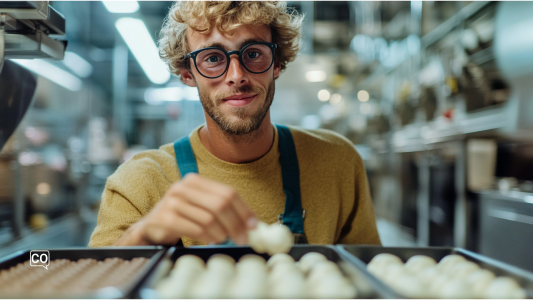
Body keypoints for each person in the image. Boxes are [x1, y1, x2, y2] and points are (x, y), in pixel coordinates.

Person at [89, 1, 381, 247]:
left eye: (253, 54)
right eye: (213, 58)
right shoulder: (140, 183)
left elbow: (369, 279)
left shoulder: (337, 163)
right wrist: (141, 235)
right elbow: (92, 285)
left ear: (277, 63)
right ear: (187, 73)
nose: (237, 75)